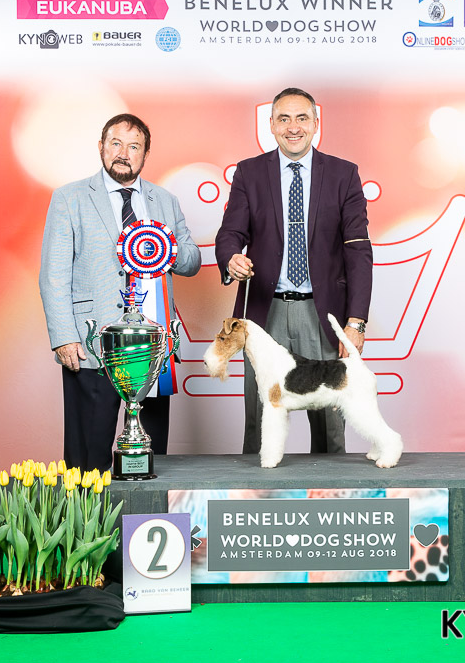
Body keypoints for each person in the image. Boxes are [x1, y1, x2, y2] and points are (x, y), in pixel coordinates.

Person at [215, 87, 373, 456]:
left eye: (302, 118)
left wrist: (356, 322)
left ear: (316, 123)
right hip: (264, 311)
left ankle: (331, 487)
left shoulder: (344, 174)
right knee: (260, 415)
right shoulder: (249, 172)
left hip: (323, 312)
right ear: (271, 125)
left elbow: (358, 250)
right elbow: (230, 233)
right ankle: (255, 485)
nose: (293, 127)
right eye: (283, 119)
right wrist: (231, 257)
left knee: (331, 422)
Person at [39, 113, 201, 471]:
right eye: (116, 143)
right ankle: (87, 510)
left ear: (146, 154)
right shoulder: (69, 198)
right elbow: (53, 275)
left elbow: (191, 262)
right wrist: (64, 337)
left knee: (150, 457)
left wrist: (164, 246)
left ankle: (148, 507)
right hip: (91, 342)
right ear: (101, 147)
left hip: (153, 347)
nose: (123, 153)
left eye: (134, 146)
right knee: (86, 458)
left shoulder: (165, 200)